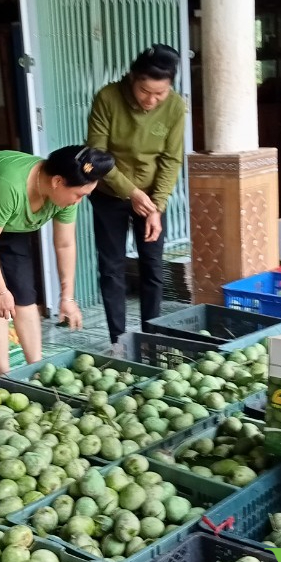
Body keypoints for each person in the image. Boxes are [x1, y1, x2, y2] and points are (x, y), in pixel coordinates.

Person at [0, 146, 115, 374]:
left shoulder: (64, 196)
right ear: (57, 181)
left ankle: (37, 369)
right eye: (79, 195)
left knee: (24, 296)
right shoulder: (9, 187)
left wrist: (68, 297)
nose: (79, 201)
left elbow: (65, 244)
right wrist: (0, 292)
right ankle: (5, 376)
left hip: (10, 219)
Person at [86, 44, 187, 355]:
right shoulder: (108, 98)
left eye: (160, 93)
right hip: (109, 194)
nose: (152, 100)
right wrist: (132, 192)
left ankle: (152, 338)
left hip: (152, 199)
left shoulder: (175, 107)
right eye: (146, 91)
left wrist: (156, 207)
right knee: (112, 268)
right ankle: (118, 340)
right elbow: (96, 157)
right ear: (132, 78)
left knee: (153, 268)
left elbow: (171, 160)